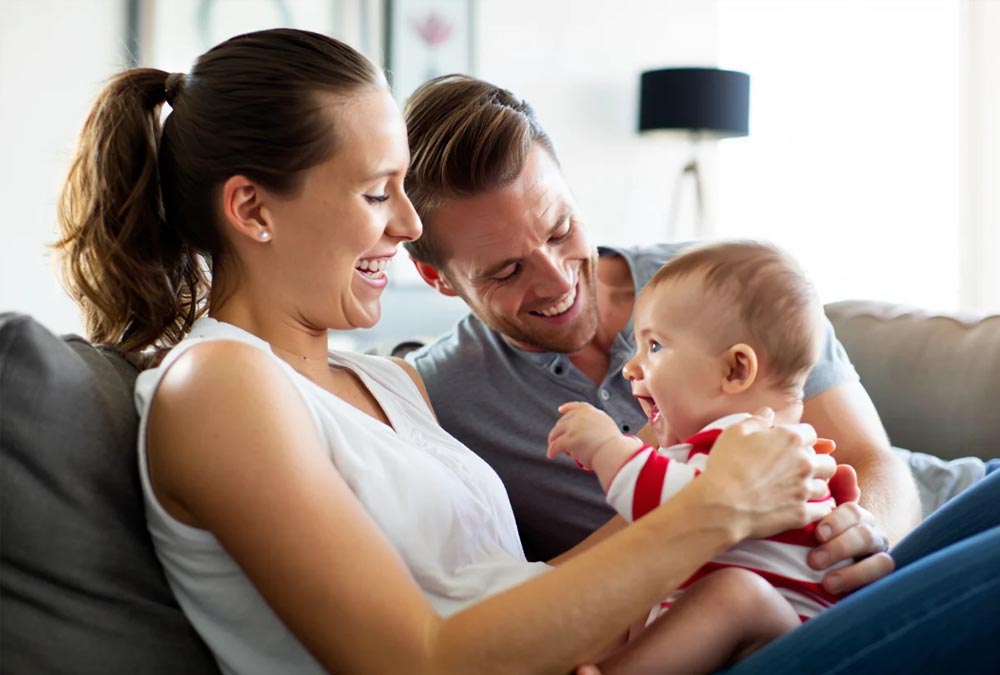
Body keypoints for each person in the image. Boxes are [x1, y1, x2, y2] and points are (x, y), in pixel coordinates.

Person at [54, 29, 845, 675]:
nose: (406, 226)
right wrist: (716, 509)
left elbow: (522, 592)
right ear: (252, 209)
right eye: (377, 192)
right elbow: (420, 659)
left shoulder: (385, 380)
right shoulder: (216, 385)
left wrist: (774, 528)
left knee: (930, 538)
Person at [401, 73, 1000, 671]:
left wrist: (858, 537)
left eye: (562, 230)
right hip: (770, 623)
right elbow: (501, 604)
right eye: (506, 271)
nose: (558, 280)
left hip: (914, 531)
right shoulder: (437, 400)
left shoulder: (724, 279)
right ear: (438, 278)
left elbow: (873, 459)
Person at [548, 241, 848, 674]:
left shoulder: (751, 441)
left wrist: (607, 447)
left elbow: (673, 508)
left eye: (654, 347)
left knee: (737, 594)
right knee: (646, 579)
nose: (631, 368)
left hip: (794, 645)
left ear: (735, 370)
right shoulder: (746, 446)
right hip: (741, 646)